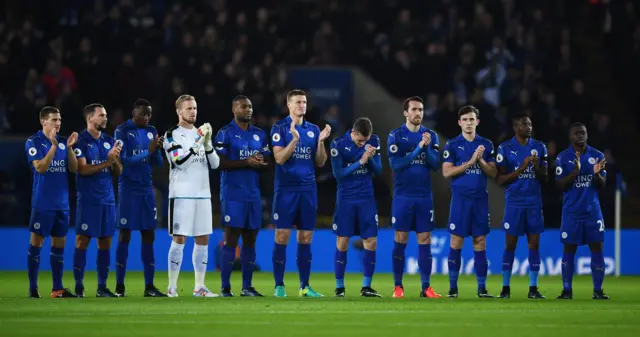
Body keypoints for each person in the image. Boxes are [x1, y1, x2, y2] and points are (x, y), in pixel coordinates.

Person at [270, 89, 331, 297]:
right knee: (282, 236)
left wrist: (321, 141)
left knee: (305, 238)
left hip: (308, 190)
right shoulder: (279, 128)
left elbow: (321, 162)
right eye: (297, 102)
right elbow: (279, 159)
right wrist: (294, 140)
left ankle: (305, 286)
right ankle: (279, 285)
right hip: (286, 190)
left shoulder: (313, 129)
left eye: (304, 102)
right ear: (289, 105)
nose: (302, 106)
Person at [163, 94, 220, 298]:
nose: (193, 112)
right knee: (179, 240)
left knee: (203, 240)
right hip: (182, 195)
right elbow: (179, 161)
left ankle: (199, 287)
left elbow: (215, 164)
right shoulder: (172, 135)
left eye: (195, 108)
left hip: (203, 194)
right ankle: (171, 287)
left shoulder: (200, 135)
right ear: (179, 111)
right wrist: (198, 140)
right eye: (188, 109)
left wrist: (208, 144)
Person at [214, 96, 272, 297]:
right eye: (244, 106)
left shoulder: (259, 134)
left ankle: (247, 287)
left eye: (250, 107)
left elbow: (268, 162)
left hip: (253, 194)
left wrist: (261, 162)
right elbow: (219, 163)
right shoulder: (225, 133)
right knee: (231, 239)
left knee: (250, 240)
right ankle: (225, 287)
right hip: (232, 194)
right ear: (234, 109)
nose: (248, 110)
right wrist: (246, 162)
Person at [387, 97, 442, 298]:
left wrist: (426, 147)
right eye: (414, 109)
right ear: (405, 113)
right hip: (403, 195)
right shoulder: (395, 135)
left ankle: (426, 287)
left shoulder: (431, 136)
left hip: (424, 196)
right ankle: (398, 287)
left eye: (421, 109)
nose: (418, 113)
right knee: (400, 238)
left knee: (425, 239)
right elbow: (396, 165)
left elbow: (435, 165)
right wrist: (418, 148)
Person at [441, 105, 497, 298]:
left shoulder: (486, 144)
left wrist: (480, 161)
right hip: (460, 199)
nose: (468, 123)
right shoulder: (452, 145)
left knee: (480, 241)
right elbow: (447, 172)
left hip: (480, 199)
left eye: (472, 119)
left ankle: (482, 288)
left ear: (477, 122)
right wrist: (470, 162)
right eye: (465, 120)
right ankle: (453, 288)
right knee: (456, 241)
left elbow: (494, 173)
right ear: (459, 123)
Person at [113, 99, 166, 297]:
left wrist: (157, 150)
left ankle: (149, 286)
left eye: (149, 114)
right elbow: (124, 161)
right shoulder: (122, 131)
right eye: (143, 113)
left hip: (146, 190)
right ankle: (119, 286)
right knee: (125, 234)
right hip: (128, 189)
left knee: (148, 235)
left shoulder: (152, 130)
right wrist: (148, 151)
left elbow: (158, 163)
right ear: (133, 111)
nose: (146, 117)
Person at [25, 106, 78, 298]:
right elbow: (40, 167)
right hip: (43, 203)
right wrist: (53, 147)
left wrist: (69, 148)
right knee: (36, 244)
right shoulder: (34, 141)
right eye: (54, 119)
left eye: (60, 120)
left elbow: (73, 169)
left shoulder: (64, 143)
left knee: (59, 246)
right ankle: (33, 288)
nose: (58, 123)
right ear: (43, 122)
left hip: (62, 204)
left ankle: (57, 288)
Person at [73, 103, 123, 297]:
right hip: (88, 200)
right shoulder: (80, 141)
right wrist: (108, 162)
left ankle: (102, 287)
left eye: (105, 115)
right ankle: (79, 287)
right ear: (90, 118)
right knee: (82, 241)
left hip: (108, 200)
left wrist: (115, 160)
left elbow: (118, 172)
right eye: (101, 115)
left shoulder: (110, 141)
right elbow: (83, 170)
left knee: (105, 243)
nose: (105, 119)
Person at [496, 114, 548, 299]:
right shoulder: (505, 148)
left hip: (533, 203)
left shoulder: (539, 147)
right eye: (525, 124)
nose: (529, 127)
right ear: (515, 127)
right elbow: (500, 179)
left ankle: (533, 289)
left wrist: (536, 168)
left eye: (530, 124)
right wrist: (521, 168)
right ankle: (505, 288)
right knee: (510, 245)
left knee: (534, 244)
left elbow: (546, 177)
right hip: (514, 203)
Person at [555, 122, 609, 300]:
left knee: (597, 249)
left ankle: (598, 291)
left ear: (587, 135)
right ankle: (567, 290)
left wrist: (596, 174)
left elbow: (602, 185)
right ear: (570, 136)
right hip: (571, 213)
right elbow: (560, 186)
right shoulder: (563, 158)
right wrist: (574, 173)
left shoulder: (597, 156)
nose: (580, 135)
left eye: (583, 133)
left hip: (592, 212)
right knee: (569, 250)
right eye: (577, 133)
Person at [330, 117, 382, 297]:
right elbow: (338, 175)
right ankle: (339, 288)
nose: (362, 143)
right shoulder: (338, 144)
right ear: (353, 133)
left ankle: (366, 286)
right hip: (346, 198)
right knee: (342, 242)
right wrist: (361, 161)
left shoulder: (374, 141)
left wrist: (371, 158)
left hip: (366, 198)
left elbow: (379, 171)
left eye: (365, 141)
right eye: (360, 140)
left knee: (372, 241)